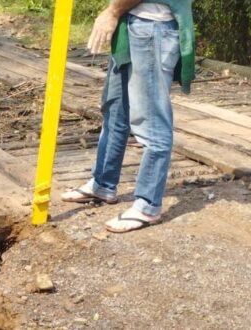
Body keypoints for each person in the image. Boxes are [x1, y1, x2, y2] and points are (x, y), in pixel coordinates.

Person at [61, 0, 195, 233]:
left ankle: (147, 205)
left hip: (152, 29)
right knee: (115, 111)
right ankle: (103, 184)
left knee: (153, 122)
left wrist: (112, 12)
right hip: (133, 24)